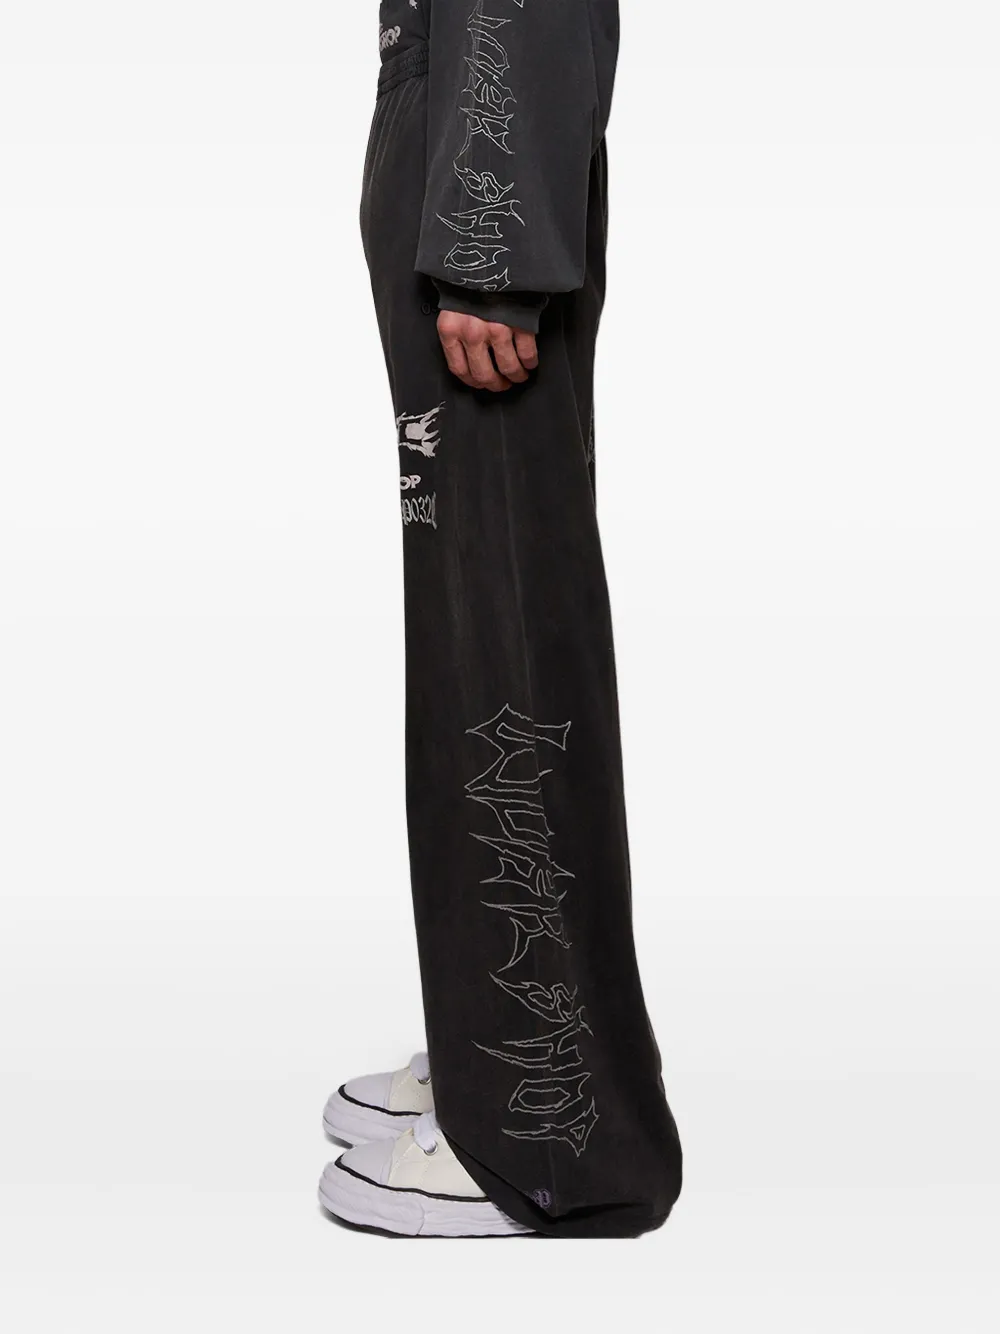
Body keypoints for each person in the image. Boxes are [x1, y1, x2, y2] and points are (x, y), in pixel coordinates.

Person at [318, 0, 683, 1239]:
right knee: (472, 630)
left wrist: (490, 242)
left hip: (480, 172)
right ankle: (501, 1043)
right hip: (452, 140)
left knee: (507, 632)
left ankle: (551, 1127)